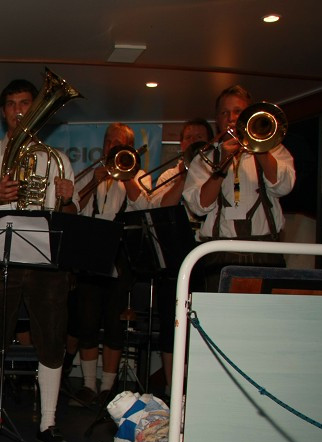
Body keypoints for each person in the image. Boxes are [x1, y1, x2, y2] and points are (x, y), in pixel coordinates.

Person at [0, 78, 77, 442]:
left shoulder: (56, 159)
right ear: (3, 112)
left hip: (46, 264)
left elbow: (71, 220)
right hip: (0, 261)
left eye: (26, 103)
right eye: (11, 104)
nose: (18, 111)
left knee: (51, 341)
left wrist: (68, 199)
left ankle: (48, 422)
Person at [69, 123, 153, 407]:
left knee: (115, 321)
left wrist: (126, 175)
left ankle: (108, 387)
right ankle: (89, 386)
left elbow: (144, 207)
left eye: (118, 143)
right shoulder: (92, 173)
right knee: (88, 320)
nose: (112, 147)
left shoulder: (139, 175)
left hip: (121, 254)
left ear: (128, 147)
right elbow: (71, 208)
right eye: (108, 142)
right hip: (91, 252)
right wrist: (94, 181)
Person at [183, 84, 296, 292]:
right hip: (219, 253)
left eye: (237, 112)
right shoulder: (205, 159)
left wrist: (259, 145)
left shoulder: (275, 150)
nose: (231, 118)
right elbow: (199, 206)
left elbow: (284, 186)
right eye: (224, 113)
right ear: (217, 120)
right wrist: (221, 164)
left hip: (265, 253)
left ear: (248, 114)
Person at [151, 118, 213, 395]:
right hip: (175, 257)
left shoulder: (220, 168)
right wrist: (190, 172)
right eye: (189, 138)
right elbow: (164, 205)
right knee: (170, 324)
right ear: (182, 144)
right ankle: (170, 390)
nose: (193, 141)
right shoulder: (169, 175)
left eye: (199, 137)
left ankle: (199, 391)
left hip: (206, 252)